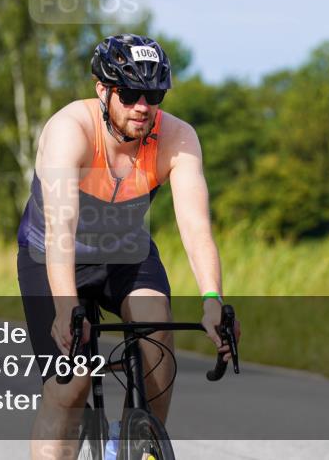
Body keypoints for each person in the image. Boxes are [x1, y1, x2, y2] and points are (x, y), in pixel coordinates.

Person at [17, 34, 240, 459]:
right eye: (131, 93)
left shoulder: (176, 137)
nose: (143, 105)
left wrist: (213, 299)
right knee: (72, 381)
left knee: (157, 334)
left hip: (125, 253)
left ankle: (138, 446)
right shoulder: (71, 131)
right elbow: (61, 225)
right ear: (103, 90)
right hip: (53, 255)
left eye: (153, 94)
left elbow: (195, 226)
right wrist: (66, 309)